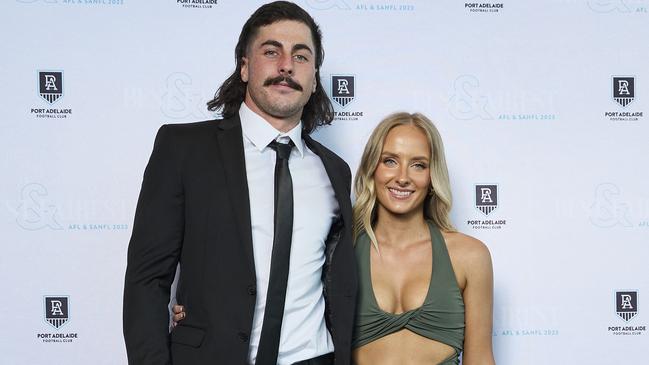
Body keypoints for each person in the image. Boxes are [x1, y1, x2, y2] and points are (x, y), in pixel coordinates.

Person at [123, 2, 357, 365]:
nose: (286, 66)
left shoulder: (334, 170)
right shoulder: (182, 149)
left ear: (313, 79)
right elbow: (146, 280)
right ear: (245, 67)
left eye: (301, 56)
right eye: (271, 51)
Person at [173, 112, 496, 364]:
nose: (402, 177)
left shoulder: (468, 255)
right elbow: (276, 294)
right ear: (372, 168)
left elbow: (480, 358)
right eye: (390, 161)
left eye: (418, 165)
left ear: (432, 175)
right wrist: (202, 311)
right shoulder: (340, 249)